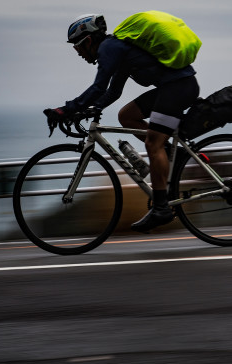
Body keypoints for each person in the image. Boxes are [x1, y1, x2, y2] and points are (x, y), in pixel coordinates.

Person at [45, 13, 199, 232]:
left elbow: (98, 87)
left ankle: (162, 207)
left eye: (77, 46)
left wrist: (66, 109)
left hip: (177, 88)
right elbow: (113, 91)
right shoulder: (118, 49)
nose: (77, 53)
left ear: (88, 40)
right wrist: (92, 109)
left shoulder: (109, 49)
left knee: (152, 144)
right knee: (127, 116)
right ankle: (170, 153)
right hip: (174, 86)